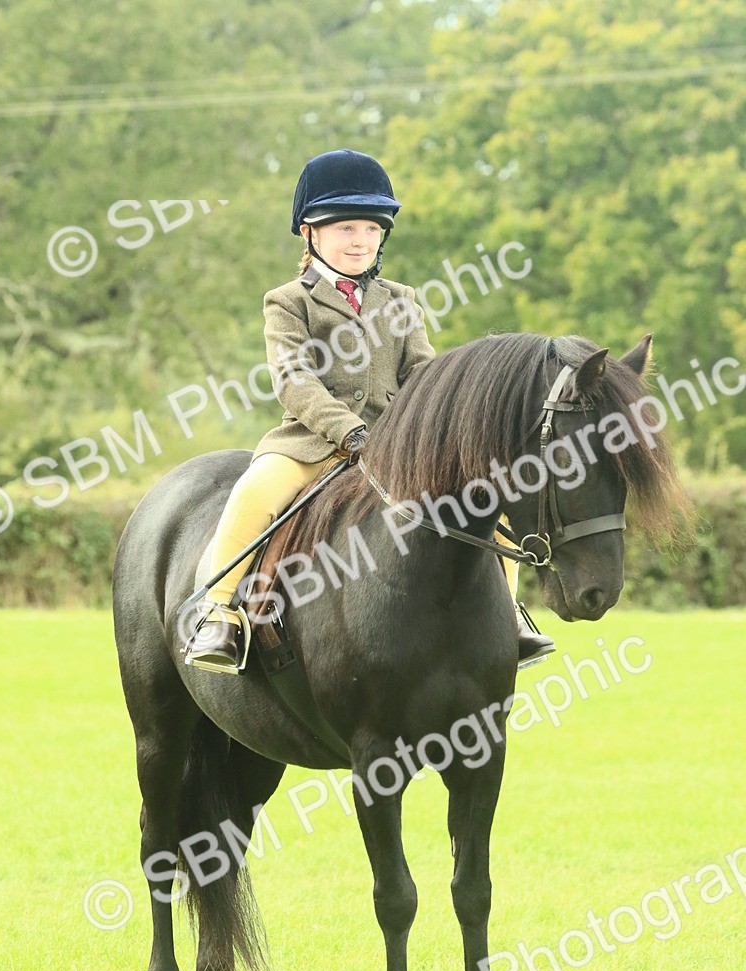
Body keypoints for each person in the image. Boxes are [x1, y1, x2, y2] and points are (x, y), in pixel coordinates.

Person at [186, 148, 555, 671]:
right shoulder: (290, 301)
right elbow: (295, 380)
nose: (360, 240)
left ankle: (509, 617)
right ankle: (219, 611)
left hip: (397, 448)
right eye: (345, 229)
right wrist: (352, 432)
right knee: (254, 492)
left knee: (485, 502)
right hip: (314, 444)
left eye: (369, 229)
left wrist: (437, 429)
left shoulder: (401, 299)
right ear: (310, 233)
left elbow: (424, 376)